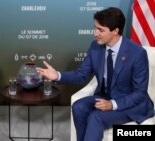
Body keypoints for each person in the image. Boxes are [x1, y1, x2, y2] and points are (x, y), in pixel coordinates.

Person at [36, 7, 154, 141]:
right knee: (78, 107)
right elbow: (81, 74)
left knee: (95, 117)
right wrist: (57, 75)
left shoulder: (137, 53)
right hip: (104, 97)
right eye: (95, 28)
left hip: (130, 105)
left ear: (115, 31)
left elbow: (139, 93)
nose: (95, 33)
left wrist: (112, 104)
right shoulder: (95, 47)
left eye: (101, 30)